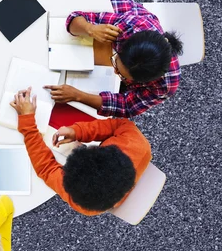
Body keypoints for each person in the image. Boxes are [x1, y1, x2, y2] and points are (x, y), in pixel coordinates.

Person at [11, 88, 152, 215]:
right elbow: (118, 124)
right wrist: (78, 131)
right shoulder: (136, 142)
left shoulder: (81, 196)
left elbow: (46, 169)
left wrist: (27, 122)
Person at [47, 0, 183, 117]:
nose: (115, 71)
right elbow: (76, 16)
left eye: (122, 76)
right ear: (123, 45)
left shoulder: (166, 85)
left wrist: (79, 96)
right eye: (115, 63)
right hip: (121, 12)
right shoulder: (128, 25)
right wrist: (90, 28)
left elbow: (127, 106)